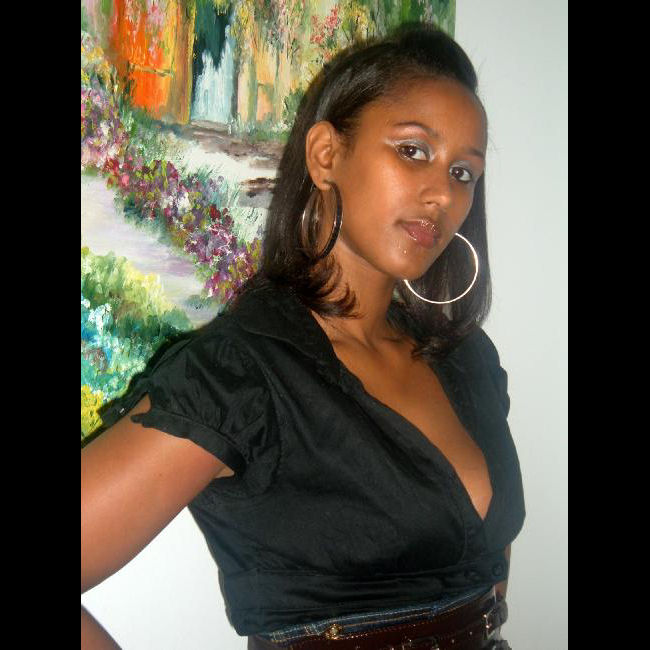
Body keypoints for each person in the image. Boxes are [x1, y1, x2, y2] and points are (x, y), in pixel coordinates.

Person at [81, 23, 525, 650]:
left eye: (463, 171)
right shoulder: (243, 375)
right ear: (325, 155)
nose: (442, 195)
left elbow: (488, 578)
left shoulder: (468, 360)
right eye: (413, 151)